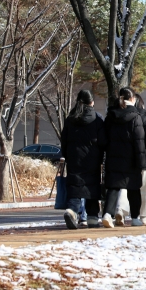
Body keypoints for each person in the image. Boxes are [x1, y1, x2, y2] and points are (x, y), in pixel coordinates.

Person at [60, 90, 106, 229]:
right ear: (91, 102)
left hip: (74, 157)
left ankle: (72, 210)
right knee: (92, 186)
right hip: (92, 157)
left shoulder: (70, 118)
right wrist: (102, 156)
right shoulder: (97, 118)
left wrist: (67, 155)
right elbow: (103, 140)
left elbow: (64, 140)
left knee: (75, 185)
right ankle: (92, 218)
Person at [114, 94, 146, 226]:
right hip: (144, 157)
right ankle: (145, 216)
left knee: (124, 186)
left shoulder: (121, 115)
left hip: (126, 157)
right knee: (145, 187)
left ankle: (120, 210)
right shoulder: (143, 116)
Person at [102, 87, 146, 228]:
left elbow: (103, 138)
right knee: (133, 189)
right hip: (131, 159)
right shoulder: (135, 116)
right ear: (132, 99)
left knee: (113, 189)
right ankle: (135, 218)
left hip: (113, 158)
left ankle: (107, 215)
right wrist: (141, 162)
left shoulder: (110, 116)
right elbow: (139, 141)